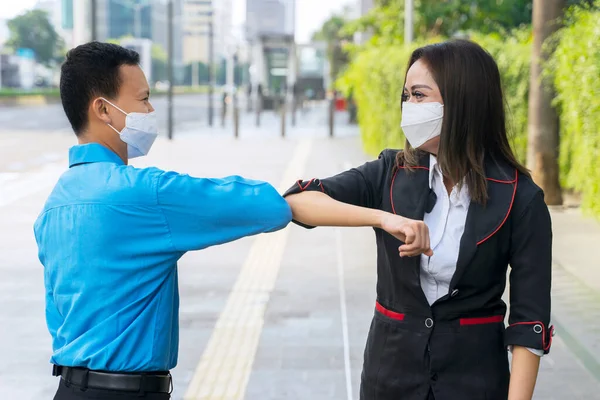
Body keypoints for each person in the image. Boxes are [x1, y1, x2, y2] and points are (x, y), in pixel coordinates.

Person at [284, 40, 553, 400]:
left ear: (461, 102)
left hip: (475, 381)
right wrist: (383, 219)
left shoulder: (520, 198)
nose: (409, 107)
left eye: (419, 95)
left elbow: (528, 324)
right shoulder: (391, 171)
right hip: (389, 377)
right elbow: (298, 201)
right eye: (406, 95)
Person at [33, 42, 291, 400]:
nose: (151, 109)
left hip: (69, 390)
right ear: (103, 110)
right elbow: (270, 208)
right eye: (143, 99)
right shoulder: (144, 193)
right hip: (128, 393)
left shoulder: (53, 205)